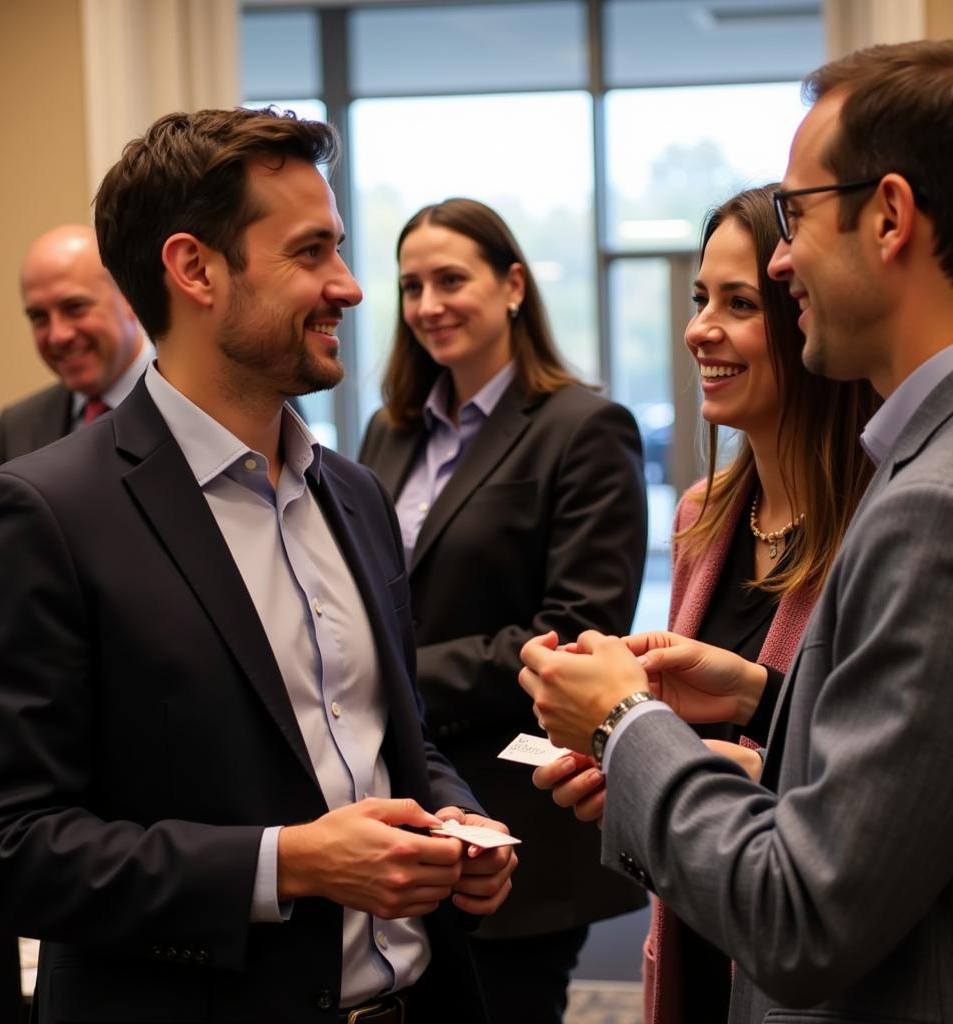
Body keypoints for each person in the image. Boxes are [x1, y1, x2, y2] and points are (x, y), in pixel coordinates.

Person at [0, 107, 516, 1023]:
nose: (350, 286)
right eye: (311, 253)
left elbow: (389, 739)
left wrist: (452, 822)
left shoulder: (355, 495)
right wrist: (285, 863)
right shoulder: (42, 515)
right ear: (195, 269)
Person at [520, 38, 953, 1020]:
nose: (781, 259)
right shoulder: (923, 464)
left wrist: (624, 724)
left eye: (798, 218)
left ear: (889, 216)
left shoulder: (936, 505)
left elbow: (805, 913)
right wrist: (767, 701)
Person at [359, 197, 646, 1023]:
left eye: (452, 279)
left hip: (518, 814)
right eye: (411, 286)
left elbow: (573, 634)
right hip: (411, 809)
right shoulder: (392, 431)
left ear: (513, 284)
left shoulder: (584, 428)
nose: (428, 305)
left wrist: (392, 681)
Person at [637, 185, 876, 1023]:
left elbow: (866, 807)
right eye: (703, 299)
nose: (702, 328)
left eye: (739, 304)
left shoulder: (879, 527)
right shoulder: (702, 515)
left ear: (803, 317)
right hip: (699, 947)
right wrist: (628, 759)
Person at [0, 224, 153, 469]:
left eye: (75, 307)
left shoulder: (196, 401)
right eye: (38, 317)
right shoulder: (17, 429)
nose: (57, 336)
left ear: (128, 297)